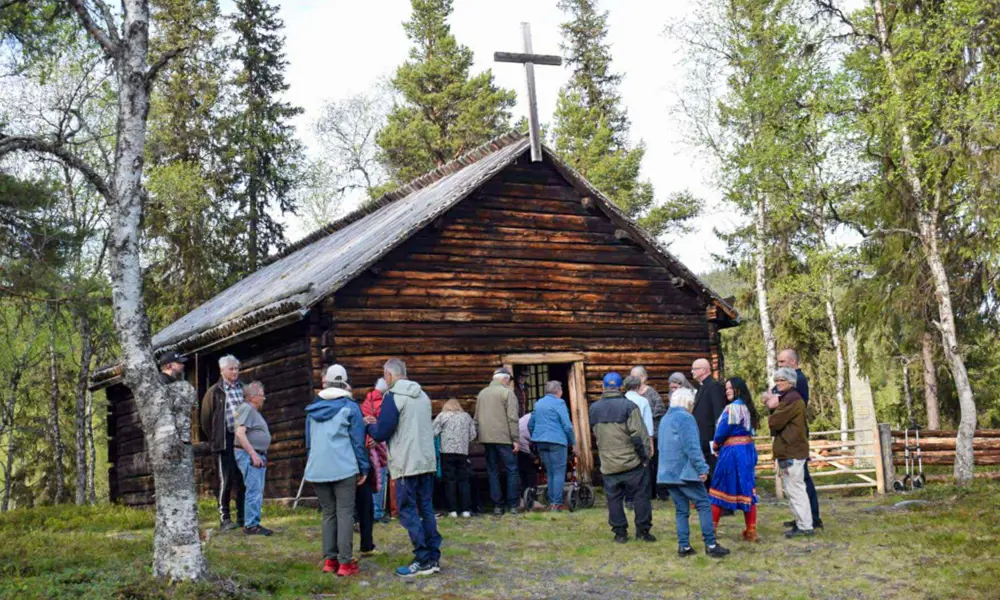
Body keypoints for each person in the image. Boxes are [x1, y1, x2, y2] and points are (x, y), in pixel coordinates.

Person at [365, 358, 442, 577]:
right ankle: (433, 557)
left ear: (388, 375)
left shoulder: (393, 397)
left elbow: (382, 432)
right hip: (426, 461)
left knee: (407, 510)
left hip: (407, 463)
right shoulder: (423, 395)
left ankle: (422, 558)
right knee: (426, 508)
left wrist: (370, 425)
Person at [304, 365, 369, 577]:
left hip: (317, 467)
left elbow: (309, 441)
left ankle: (329, 560)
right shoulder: (350, 407)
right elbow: (358, 441)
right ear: (344, 382)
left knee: (328, 513)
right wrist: (363, 467)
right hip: (343, 466)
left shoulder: (312, 408)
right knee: (345, 513)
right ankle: (345, 563)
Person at [659, 388, 730, 558]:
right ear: (688, 403)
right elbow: (692, 447)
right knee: (704, 504)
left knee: (681, 510)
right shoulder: (685, 418)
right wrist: (702, 469)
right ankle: (711, 545)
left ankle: (684, 546)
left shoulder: (665, 419)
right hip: (684, 472)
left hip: (667, 473)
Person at [590, 372, 654, 543]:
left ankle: (620, 533)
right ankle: (643, 531)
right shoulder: (629, 406)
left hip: (608, 463)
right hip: (631, 462)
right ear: (621, 387)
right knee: (641, 496)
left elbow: (596, 434)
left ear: (603, 387)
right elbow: (639, 435)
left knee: (614, 499)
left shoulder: (594, 409)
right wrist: (645, 456)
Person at [768, 348, 822, 529]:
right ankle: (803, 518)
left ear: (792, 362)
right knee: (795, 484)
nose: (779, 365)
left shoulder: (796, 388)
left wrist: (774, 401)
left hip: (794, 441)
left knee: (800, 483)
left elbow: (775, 418)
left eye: (782, 362)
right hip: (790, 441)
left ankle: (810, 519)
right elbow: (769, 399)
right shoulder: (790, 391)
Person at [708, 377, 760, 542]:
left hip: (732, 452)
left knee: (719, 487)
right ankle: (751, 531)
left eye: (730, 388)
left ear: (738, 389)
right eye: (726, 388)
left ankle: (711, 530)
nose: (727, 391)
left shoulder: (732, 409)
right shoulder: (748, 409)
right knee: (747, 488)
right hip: (747, 450)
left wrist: (716, 445)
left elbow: (722, 431)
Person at [199, 354, 245, 531]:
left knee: (242, 479)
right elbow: (205, 420)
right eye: (231, 369)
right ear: (222, 370)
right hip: (224, 440)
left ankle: (242, 516)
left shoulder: (243, 388)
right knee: (226, 479)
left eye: (237, 368)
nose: (235, 372)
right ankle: (224, 518)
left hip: (242, 440)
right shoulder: (214, 392)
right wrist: (216, 438)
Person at [766, 367, 813, 538]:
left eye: (782, 380)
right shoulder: (788, 398)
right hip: (789, 450)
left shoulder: (791, 399)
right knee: (792, 488)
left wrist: (772, 408)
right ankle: (801, 522)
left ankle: (805, 526)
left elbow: (775, 422)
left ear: (791, 382)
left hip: (792, 450)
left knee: (796, 488)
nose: (778, 383)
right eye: (776, 380)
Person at [474, 367, 521, 515]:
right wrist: (515, 439)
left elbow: (476, 417)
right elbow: (512, 418)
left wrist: (478, 436)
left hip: (487, 439)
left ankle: (497, 506)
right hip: (504, 438)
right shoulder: (507, 393)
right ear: (505, 379)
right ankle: (513, 504)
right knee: (512, 469)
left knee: (492, 471)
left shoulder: (482, 394)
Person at [528, 381, 576, 511]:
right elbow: (567, 426)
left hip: (541, 442)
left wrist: (536, 436)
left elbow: (530, 424)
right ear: (558, 391)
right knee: (559, 472)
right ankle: (556, 503)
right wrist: (572, 442)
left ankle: (551, 502)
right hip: (557, 441)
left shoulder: (538, 404)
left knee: (550, 472)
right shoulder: (559, 403)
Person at [234, 381, 272, 536]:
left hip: (256, 455)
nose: (264, 399)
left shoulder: (252, 411)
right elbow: (240, 433)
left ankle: (253, 522)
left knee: (256, 489)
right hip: (250, 455)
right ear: (253, 397)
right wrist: (253, 454)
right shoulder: (247, 409)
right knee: (254, 489)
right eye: (262, 396)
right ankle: (251, 525)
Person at [433, 399, 477, 518]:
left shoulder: (442, 416)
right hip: (462, 452)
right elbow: (473, 434)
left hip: (446, 453)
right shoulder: (466, 416)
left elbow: (434, 432)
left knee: (450, 482)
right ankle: (466, 510)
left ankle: (452, 510)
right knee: (464, 481)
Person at [691, 359, 728, 489]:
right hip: (702, 437)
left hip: (711, 437)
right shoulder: (702, 387)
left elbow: (718, 414)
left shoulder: (713, 386)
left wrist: (717, 439)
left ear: (704, 370)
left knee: (714, 469)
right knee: (706, 469)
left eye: (695, 369)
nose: (692, 372)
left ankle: (719, 502)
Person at [631, 366, 666, 501]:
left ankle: (658, 490)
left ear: (643, 377)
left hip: (653, 433)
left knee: (654, 462)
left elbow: (660, 408)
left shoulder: (651, 392)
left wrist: (646, 415)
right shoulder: (631, 394)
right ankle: (644, 491)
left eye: (635, 376)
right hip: (637, 433)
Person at [363, 378, 390, 524]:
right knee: (381, 478)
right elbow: (388, 423)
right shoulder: (386, 402)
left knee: (370, 478)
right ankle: (378, 512)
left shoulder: (367, 401)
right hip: (381, 443)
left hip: (368, 443)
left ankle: (369, 511)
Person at [518, 411, 538, 506]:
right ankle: (531, 497)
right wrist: (534, 456)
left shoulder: (528, 416)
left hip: (517, 443)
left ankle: (524, 497)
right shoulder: (536, 418)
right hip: (522, 444)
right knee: (530, 471)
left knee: (522, 471)